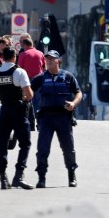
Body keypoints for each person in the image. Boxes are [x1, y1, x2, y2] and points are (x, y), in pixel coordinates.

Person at [31, 50, 82, 188]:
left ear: (58, 61)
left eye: (52, 60)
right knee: (42, 149)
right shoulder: (41, 78)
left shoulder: (67, 76)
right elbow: (28, 89)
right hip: (46, 118)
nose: (48, 62)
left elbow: (78, 92)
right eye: (46, 59)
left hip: (63, 117)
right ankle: (41, 177)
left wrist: (73, 104)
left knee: (68, 148)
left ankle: (72, 174)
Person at [0, 47, 34, 190]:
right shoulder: (19, 71)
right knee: (25, 143)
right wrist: (23, 98)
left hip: (4, 111)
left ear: (2, 57)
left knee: (2, 143)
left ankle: (3, 178)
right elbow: (28, 94)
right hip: (18, 110)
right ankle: (18, 176)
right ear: (15, 57)